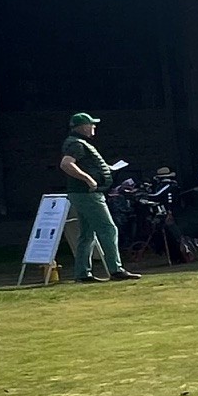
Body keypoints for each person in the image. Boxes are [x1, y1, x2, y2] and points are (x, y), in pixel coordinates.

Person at [58, 113, 140, 282]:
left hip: (81, 194)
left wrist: (104, 169)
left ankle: (82, 273)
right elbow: (66, 164)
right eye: (91, 124)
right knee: (108, 229)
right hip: (88, 194)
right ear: (82, 127)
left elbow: (83, 164)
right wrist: (88, 179)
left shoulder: (77, 142)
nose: (94, 127)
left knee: (87, 234)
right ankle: (115, 270)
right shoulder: (77, 144)